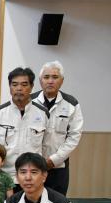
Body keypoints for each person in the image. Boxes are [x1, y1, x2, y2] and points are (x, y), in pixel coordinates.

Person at [0, 67, 49, 185]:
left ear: (32, 87)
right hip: (3, 177)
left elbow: (46, 146)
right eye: (14, 84)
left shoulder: (43, 114)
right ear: (9, 87)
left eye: (24, 84)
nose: (19, 88)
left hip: (31, 177)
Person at [31, 61, 83, 195]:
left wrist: (54, 160)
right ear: (40, 81)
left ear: (62, 81)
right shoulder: (29, 102)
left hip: (58, 167)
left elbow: (74, 136)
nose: (50, 81)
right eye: (46, 77)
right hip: (32, 166)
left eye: (55, 77)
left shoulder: (71, 104)